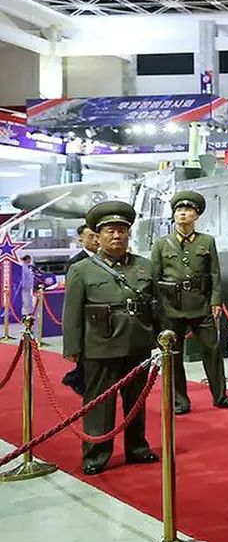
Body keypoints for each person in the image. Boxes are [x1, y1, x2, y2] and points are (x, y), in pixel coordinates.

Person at [61, 201, 159, 475]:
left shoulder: (144, 266)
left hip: (137, 343)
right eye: (110, 231)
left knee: (136, 401)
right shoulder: (82, 270)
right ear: (98, 236)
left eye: (122, 231)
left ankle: (137, 447)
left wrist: (163, 338)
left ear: (128, 234)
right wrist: (73, 347)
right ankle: (96, 454)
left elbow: (155, 305)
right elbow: (72, 312)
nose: (117, 236)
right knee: (100, 403)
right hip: (100, 345)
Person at [151, 190, 228, 413]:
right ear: (174, 216)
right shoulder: (161, 244)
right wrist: (157, 310)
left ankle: (220, 395)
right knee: (174, 357)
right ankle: (180, 400)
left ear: (196, 216)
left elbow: (215, 273)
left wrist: (216, 301)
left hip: (201, 305)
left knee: (212, 351)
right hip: (171, 307)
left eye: (187, 210)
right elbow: (155, 278)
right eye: (179, 210)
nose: (183, 214)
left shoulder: (207, 241)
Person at [61, 224, 98, 395]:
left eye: (97, 235)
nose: (95, 240)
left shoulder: (108, 259)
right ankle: (78, 381)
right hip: (84, 318)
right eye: (90, 236)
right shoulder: (75, 263)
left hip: (102, 320)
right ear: (80, 239)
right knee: (85, 358)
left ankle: (76, 379)